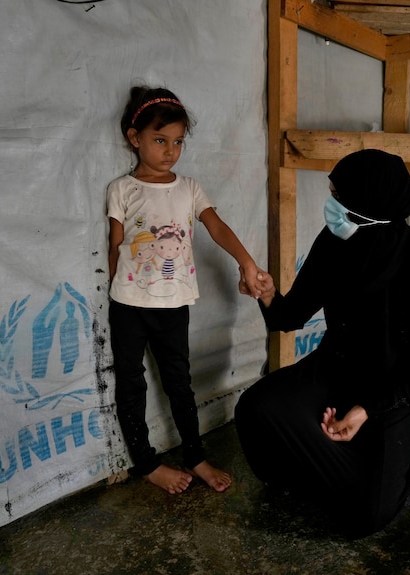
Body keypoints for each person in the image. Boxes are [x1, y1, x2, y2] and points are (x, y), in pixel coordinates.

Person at [236, 149, 410, 537]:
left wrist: (365, 410)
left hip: (389, 389)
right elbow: (291, 315)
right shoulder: (335, 241)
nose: (331, 204)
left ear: (367, 200)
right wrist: (266, 293)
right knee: (256, 407)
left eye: (338, 195)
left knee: (368, 516)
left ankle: (398, 463)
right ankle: (337, 460)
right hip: (335, 368)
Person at [107, 86, 264, 494]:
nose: (170, 151)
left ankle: (195, 456)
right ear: (133, 137)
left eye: (177, 142)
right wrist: (119, 289)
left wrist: (246, 262)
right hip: (127, 305)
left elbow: (216, 227)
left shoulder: (190, 188)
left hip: (173, 306)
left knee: (179, 382)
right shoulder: (122, 190)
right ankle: (147, 464)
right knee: (131, 384)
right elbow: (115, 245)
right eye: (160, 140)